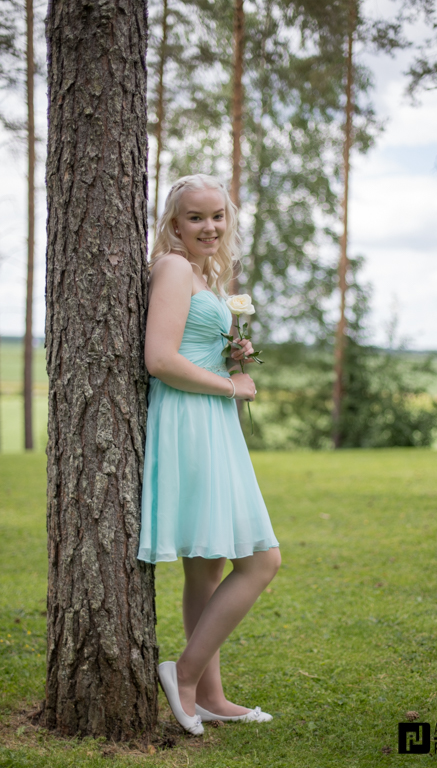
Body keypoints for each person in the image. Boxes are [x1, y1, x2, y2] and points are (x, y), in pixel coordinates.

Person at [137, 174, 281, 736]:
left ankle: (211, 697)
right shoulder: (174, 268)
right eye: (195, 217)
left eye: (217, 216)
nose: (209, 227)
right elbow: (160, 359)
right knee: (262, 561)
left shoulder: (202, 275)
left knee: (208, 563)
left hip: (210, 420)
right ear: (174, 224)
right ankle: (184, 674)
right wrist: (231, 385)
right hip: (192, 420)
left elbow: (191, 348)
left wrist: (232, 353)